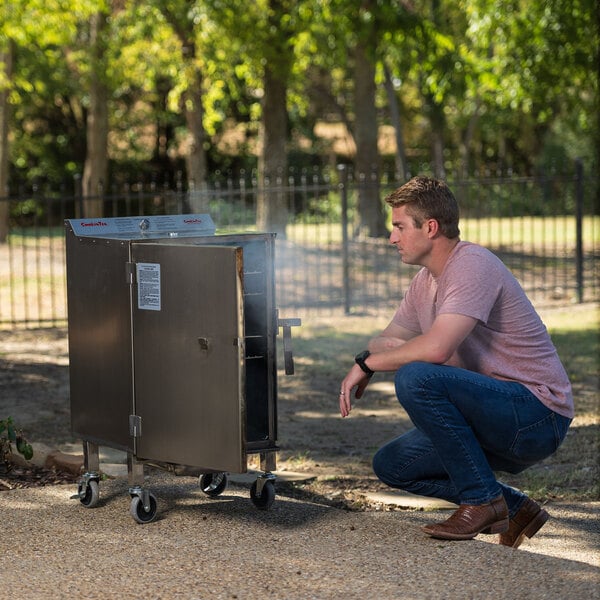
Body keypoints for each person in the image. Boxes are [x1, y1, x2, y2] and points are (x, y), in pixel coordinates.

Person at [339, 176, 573, 546]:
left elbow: (433, 353)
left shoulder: (472, 265)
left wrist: (372, 363)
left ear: (430, 227)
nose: (392, 238)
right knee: (393, 465)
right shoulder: (424, 281)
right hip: (495, 413)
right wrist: (377, 355)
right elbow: (385, 339)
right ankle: (512, 507)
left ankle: (481, 502)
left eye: (399, 227)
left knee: (417, 377)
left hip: (538, 415)